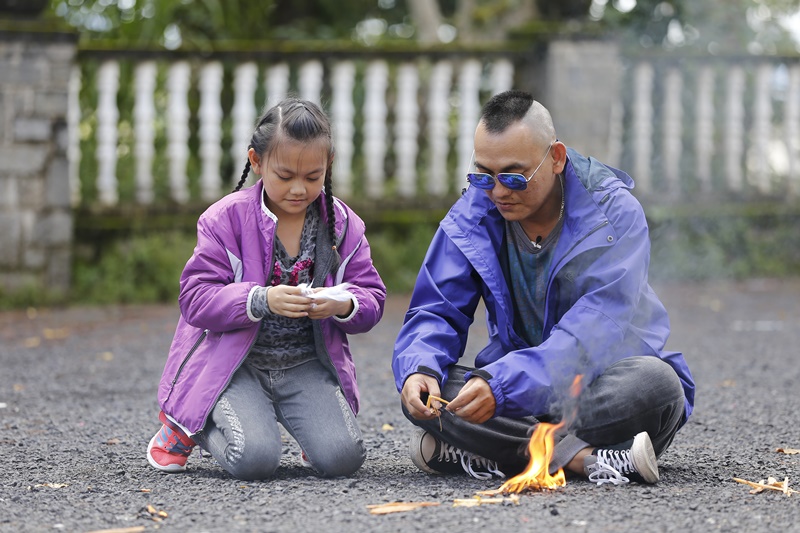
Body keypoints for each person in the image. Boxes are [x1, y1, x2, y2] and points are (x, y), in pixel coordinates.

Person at [392, 90, 694, 485]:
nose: (499, 191)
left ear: (556, 158)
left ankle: (492, 451)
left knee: (658, 385)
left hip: (595, 387)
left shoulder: (614, 215)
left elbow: (591, 335)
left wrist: (501, 387)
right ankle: (583, 459)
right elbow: (436, 310)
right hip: (514, 390)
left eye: (514, 177)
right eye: (483, 175)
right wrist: (420, 368)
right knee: (434, 393)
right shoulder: (474, 213)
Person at [146, 98, 386, 480]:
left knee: (343, 458)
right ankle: (189, 420)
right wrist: (260, 299)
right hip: (236, 366)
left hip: (305, 364)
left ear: (329, 165)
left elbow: (372, 296)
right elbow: (194, 299)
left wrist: (342, 303)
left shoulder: (341, 223)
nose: (298, 189)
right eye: (285, 175)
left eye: (312, 177)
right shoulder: (225, 218)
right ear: (256, 162)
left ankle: (302, 423)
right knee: (254, 459)